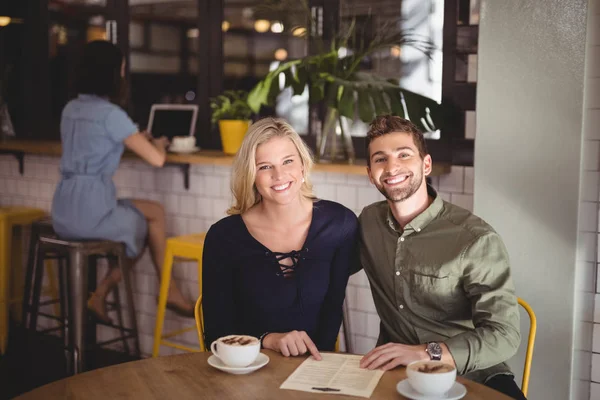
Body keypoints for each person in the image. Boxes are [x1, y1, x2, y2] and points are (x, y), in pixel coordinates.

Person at [355, 115, 525, 400]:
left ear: (426, 164)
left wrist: (425, 353)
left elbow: (504, 334)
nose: (392, 167)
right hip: (396, 374)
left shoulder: (475, 238)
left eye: (404, 155)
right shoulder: (368, 223)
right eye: (380, 159)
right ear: (371, 173)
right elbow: (323, 264)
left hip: (471, 373)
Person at [51, 40, 194, 323]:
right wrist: (160, 143)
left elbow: (91, 144)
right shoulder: (111, 115)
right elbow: (157, 160)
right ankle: (109, 293)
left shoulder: (70, 109)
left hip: (64, 208)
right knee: (140, 227)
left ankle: (170, 291)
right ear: (112, 74)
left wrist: (132, 138)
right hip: (92, 210)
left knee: (153, 212)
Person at [202, 117, 357, 359]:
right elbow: (215, 334)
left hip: (314, 368)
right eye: (265, 166)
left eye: (288, 161)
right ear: (251, 174)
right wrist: (268, 339)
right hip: (248, 369)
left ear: (303, 166)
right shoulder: (223, 237)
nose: (279, 175)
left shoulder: (339, 224)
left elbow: (332, 310)